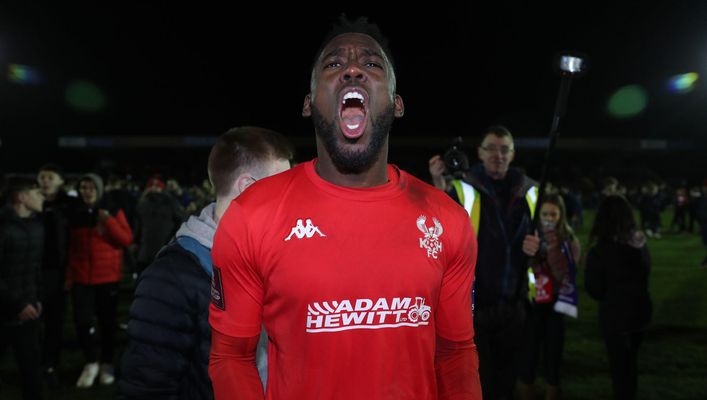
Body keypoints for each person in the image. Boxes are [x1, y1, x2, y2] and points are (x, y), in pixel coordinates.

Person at [208, 16, 481, 400]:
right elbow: (230, 357)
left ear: (397, 104)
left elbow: (456, 355)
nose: (353, 69)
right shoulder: (251, 216)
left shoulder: (447, 220)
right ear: (308, 104)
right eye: (334, 64)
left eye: (371, 64)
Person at [119, 126, 293, 399]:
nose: (288, 202)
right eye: (282, 189)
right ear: (248, 188)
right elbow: (147, 387)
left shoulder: (270, 257)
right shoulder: (170, 278)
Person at [429, 126, 540, 400]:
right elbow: (435, 232)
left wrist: (540, 247)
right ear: (479, 152)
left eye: (505, 149)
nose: (498, 155)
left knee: (506, 381)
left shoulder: (532, 191)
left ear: (513, 154)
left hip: (514, 304)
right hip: (471, 308)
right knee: (478, 383)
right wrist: (437, 185)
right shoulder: (460, 188)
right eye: (491, 148)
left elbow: (548, 239)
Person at [66, 173, 133, 388]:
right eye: (83, 187)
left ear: (99, 189)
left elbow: (126, 239)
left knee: (107, 323)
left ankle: (106, 363)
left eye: (91, 188)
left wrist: (109, 221)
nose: (87, 192)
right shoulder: (74, 213)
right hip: (81, 279)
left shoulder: (112, 210)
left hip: (107, 278)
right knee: (83, 322)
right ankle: (91, 362)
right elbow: (70, 248)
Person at [585, 195, 652, 400]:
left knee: (620, 368)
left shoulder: (600, 250)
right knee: (630, 362)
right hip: (641, 312)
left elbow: (594, 289)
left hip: (616, 315)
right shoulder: (640, 244)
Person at [516, 194, 580, 400]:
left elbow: (566, 276)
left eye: (553, 213)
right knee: (528, 355)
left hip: (555, 306)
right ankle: (527, 390)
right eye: (544, 213)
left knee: (553, 354)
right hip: (531, 305)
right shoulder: (529, 236)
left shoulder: (569, 241)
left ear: (561, 215)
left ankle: (553, 391)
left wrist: (552, 249)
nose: (549, 218)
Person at [0, 177, 45, 400]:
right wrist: (17, 303)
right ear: (21, 197)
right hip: (6, 311)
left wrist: (35, 299)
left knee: (32, 370)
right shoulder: (3, 227)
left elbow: (35, 270)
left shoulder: (37, 226)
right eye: (36, 193)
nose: (42, 196)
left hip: (28, 311)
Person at [36, 164, 71, 386]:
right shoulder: (29, 202)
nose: (45, 180)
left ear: (60, 181)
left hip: (58, 271)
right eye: (42, 177)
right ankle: (34, 363)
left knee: (54, 322)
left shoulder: (68, 205)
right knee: (31, 322)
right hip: (32, 271)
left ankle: (50, 364)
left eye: (50, 176)